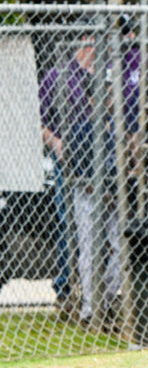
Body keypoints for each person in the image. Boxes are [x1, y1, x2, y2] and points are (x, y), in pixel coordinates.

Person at [39, 24, 122, 327]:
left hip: (112, 187)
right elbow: (41, 122)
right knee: (81, 239)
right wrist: (58, 144)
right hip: (80, 180)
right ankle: (83, 303)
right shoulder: (58, 77)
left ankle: (105, 300)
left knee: (118, 244)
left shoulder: (115, 117)